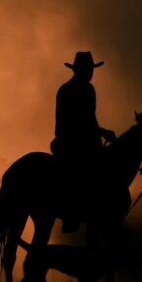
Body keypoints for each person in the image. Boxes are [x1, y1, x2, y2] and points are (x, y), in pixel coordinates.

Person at [51, 51, 117, 233]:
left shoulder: (87, 89)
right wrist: (102, 132)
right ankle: (68, 215)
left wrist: (99, 134)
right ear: (79, 70)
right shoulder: (69, 91)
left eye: (91, 69)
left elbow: (90, 118)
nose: (90, 73)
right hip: (69, 140)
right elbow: (79, 121)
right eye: (88, 69)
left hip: (85, 139)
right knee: (78, 172)